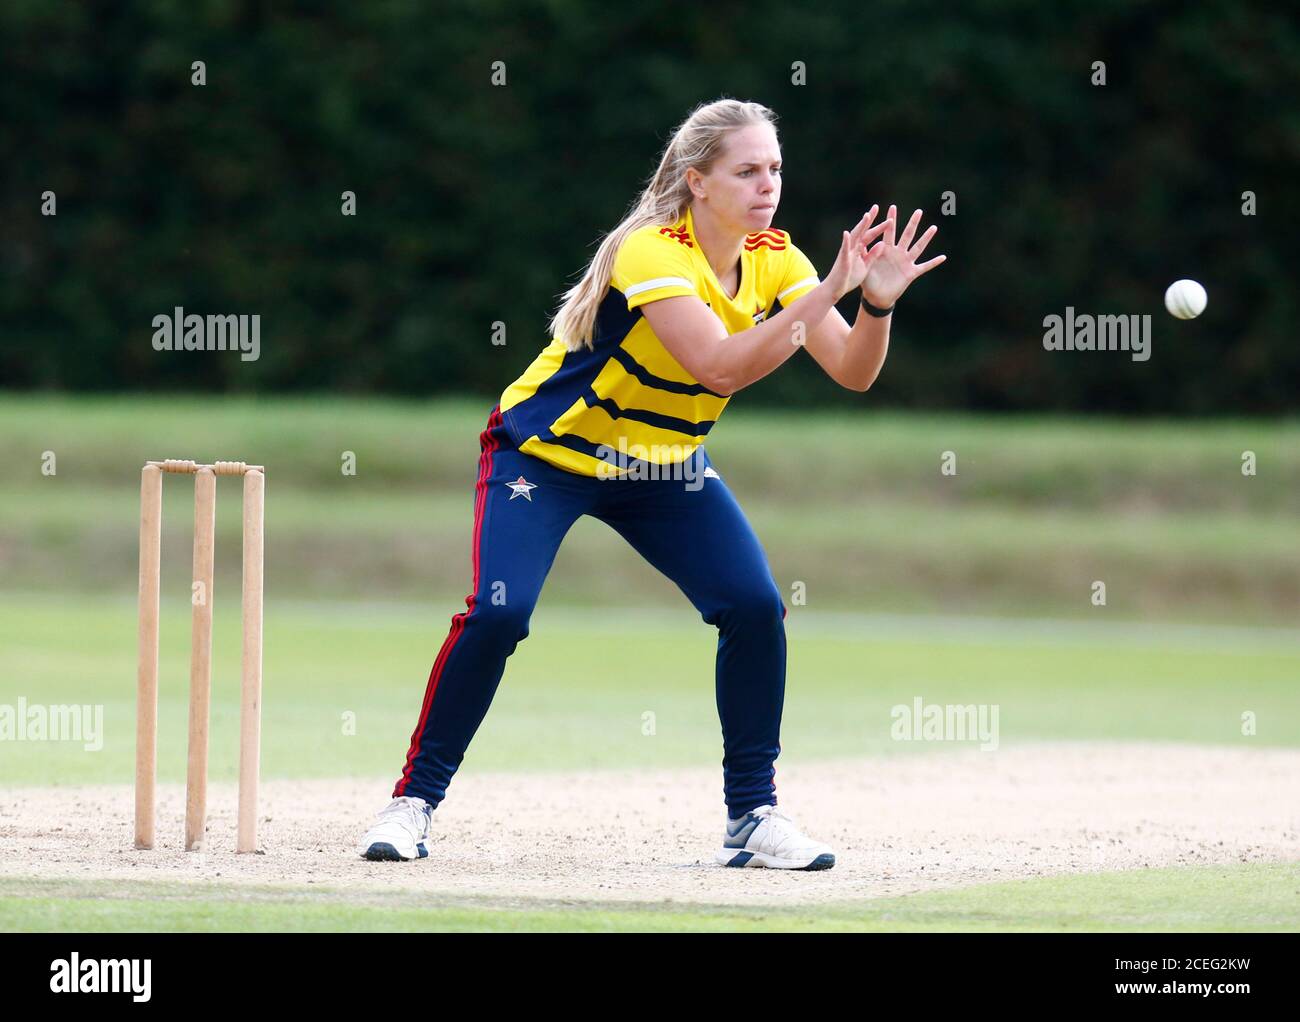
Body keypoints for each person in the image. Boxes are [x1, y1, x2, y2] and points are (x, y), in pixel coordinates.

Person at [358, 98, 945, 869]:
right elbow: (719, 365)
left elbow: (854, 371)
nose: (767, 184)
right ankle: (414, 803)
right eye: (746, 170)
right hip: (548, 457)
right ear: (697, 182)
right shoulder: (652, 251)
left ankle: (752, 817)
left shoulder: (782, 261)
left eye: (774, 168)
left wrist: (873, 303)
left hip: (663, 466)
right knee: (501, 616)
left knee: (755, 606)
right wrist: (829, 291)